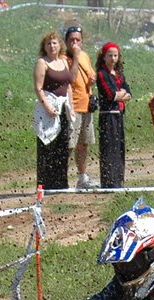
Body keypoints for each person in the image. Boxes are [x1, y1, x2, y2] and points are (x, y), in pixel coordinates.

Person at [33, 31, 81, 191]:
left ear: (59, 45)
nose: (52, 46)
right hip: (48, 108)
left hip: (63, 108)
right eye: (48, 44)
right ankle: (45, 185)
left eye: (54, 43)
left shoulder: (63, 61)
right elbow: (38, 88)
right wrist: (47, 107)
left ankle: (61, 184)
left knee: (62, 146)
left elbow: (68, 85)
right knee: (48, 146)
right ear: (44, 47)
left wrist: (71, 108)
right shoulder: (42, 63)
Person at [64, 25, 98, 190]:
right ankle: (60, 177)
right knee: (70, 143)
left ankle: (82, 176)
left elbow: (91, 74)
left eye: (77, 40)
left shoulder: (85, 55)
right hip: (73, 106)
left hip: (86, 105)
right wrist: (75, 57)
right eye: (71, 40)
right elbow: (71, 78)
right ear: (66, 42)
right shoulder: (64, 58)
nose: (75, 43)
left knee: (83, 143)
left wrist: (92, 80)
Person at [94, 42, 131, 189]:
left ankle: (118, 179)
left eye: (115, 55)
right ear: (104, 57)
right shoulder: (102, 74)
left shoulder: (119, 74)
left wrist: (121, 95)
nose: (113, 58)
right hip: (108, 115)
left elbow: (129, 93)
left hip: (119, 114)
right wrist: (121, 94)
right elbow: (110, 94)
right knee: (109, 148)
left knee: (119, 147)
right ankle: (109, 181)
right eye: (110, 55)